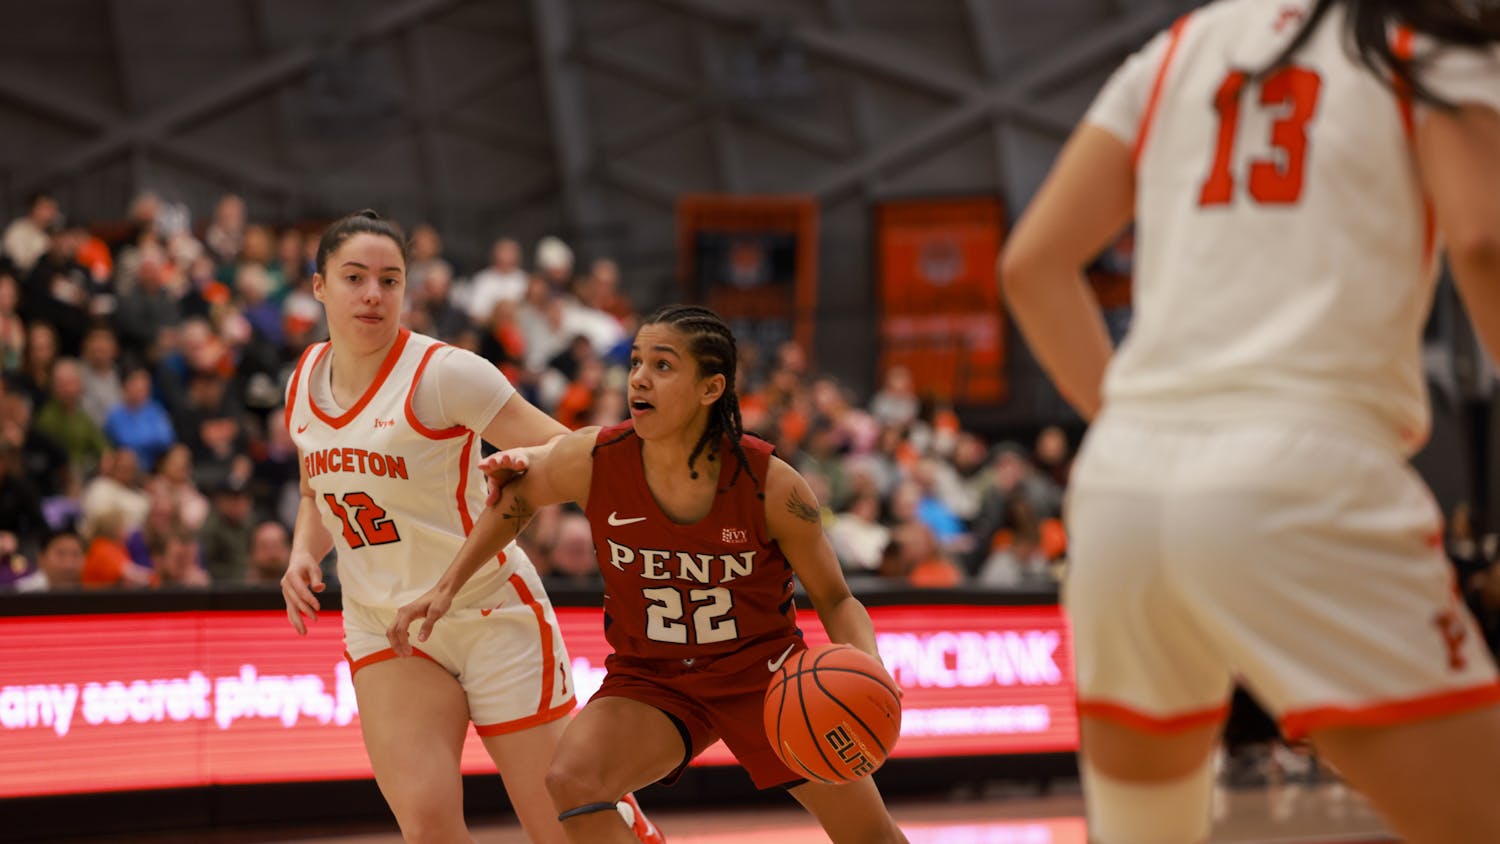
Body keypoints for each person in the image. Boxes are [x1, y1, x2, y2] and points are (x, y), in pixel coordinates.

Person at [997, 2, 1500, 842]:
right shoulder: (1424, 40)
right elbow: (1484, 240)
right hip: (1302, 473)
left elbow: (1031, 265)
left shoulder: (1175, 50)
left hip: (1123, 485)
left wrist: (1149, 431)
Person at [389, 304, 908, 844]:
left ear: (711, 389)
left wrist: (870, 666)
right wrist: (447, 586)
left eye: (663, 365)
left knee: (871, 835)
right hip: (653, 679)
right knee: (571, 780)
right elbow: (515, 498)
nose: (638, 376)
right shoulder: (595, 458)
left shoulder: (773, 486)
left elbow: (836, 597)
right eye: (636, 361)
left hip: (765, 679)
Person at [279, 211, 662, 844]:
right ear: (319, 286)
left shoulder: (445, 373)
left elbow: (573, 453)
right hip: (384, 625)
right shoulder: (303, 379)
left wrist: (529, 470)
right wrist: (302, 552)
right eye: (354, 277)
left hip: (489, 614)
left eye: (390, 279)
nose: (373, 293)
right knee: (427, 827)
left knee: (565, 823)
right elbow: (318, 488)